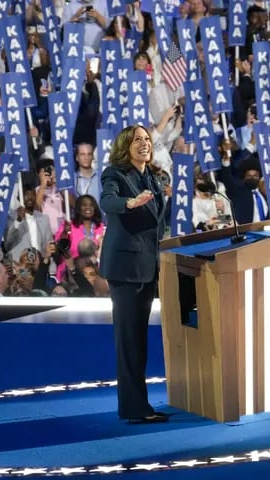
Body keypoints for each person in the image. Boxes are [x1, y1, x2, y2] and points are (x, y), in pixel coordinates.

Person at [99, 124, 168, 424]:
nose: (144, 144)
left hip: (147, 268)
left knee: (138, 341)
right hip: (126, 270)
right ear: (125, 146)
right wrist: (129, 202)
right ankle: (134, 409)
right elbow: (107, 201)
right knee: (129, 342)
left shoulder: (153, 176)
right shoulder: (115, 174)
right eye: (137, 139)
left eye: (148, 139)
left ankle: (138, 405)